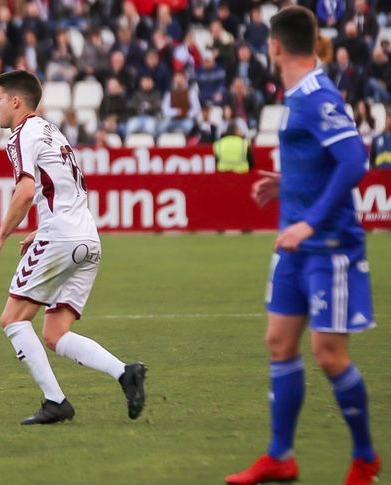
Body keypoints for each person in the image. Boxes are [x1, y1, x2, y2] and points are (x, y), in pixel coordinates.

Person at [225, 7, 380, 485]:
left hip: (328, 247)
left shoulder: (316, 94)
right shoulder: (297, 93)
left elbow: (355, 159)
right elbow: (318, 157)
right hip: (292, 246)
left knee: (329, 355)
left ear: (274, 46)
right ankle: (280, 456)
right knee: (279, 343)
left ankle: (365, 458)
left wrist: (310, 223)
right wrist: (284, 182)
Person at [0, 70, 146, 425]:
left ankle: (55, 401)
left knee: (12, 319)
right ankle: (125, 372)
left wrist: (1, 235)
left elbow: (26, 191)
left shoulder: (21, 135)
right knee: (55, 334)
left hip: (61, 237)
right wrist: (40, 228)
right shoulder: (51, 130)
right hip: (87, 238)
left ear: (15, 101)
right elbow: (64, 186)